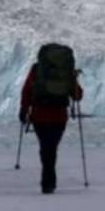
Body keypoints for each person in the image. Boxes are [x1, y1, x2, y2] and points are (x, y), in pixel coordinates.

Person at [19, 44, 83, 194]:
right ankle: (48, 180)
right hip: (59, 116)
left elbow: (27, 90)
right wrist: (73, 78)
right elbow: (77, 95)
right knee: (51, 147)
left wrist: (23, 109)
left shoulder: (37, 69)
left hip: (39, 115)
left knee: (46, 147)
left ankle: (48, 180)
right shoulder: (66, 71)